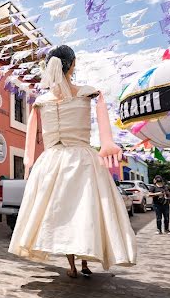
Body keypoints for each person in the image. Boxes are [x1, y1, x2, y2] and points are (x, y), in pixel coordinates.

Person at [8, 46, 136, 278]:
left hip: (49, 162)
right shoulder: (87, 93)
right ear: (73, 64)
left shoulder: (41, 101)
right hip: (81, 160)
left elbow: (31, 135)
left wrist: (29, 161)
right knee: (84, 210)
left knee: (59, 213)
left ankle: (73, 266)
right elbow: (102, 117)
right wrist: (107, 143)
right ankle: (85, 263)